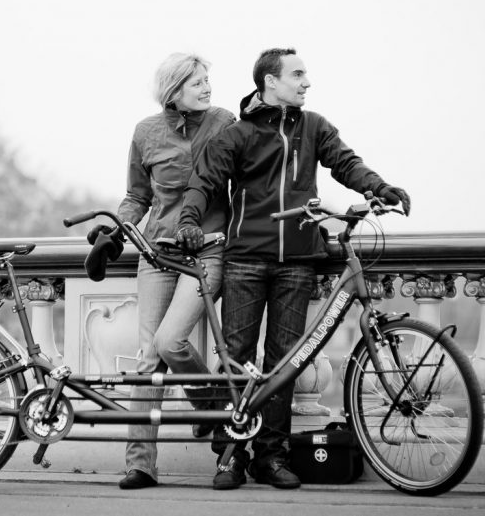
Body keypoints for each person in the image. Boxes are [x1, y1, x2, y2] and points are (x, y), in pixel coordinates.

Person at [174, 47, 411, 491]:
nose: (306, 82)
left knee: (284, 364)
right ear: (270, 81)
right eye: (298, 75)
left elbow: (345, 163)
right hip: (245, 259)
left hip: (298, 261)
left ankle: (271, 458)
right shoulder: (238, 133)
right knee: (238, 359)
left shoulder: (315, 126)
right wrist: (188, 220)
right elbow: (203, 182)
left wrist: (379, 187)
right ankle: (230, 457)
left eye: (306, 75)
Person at [95, 53, 235, 490]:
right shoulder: (146, 132)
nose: (208, 87)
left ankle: (212, 410)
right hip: (156, 253)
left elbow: (245, 185)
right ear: (174, 90)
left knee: (171, 342)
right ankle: (140, 464)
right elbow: (137, 195)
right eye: (198, 82)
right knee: (147, 360)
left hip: (207, 252)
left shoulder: (224, 122)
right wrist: (117, 227)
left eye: (208, 80)